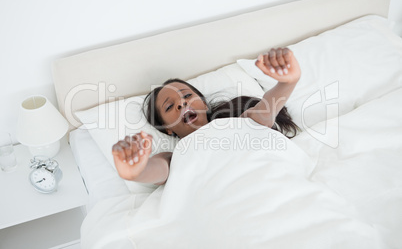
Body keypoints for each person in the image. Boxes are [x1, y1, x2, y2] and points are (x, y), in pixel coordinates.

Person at [112, 47, 301, 185]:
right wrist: (135, 171)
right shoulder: (174, 156)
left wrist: (288, 82)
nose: (182, 103)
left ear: (203, 103)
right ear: (167, 128)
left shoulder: (240, 122)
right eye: (170, 106)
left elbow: (266, 109)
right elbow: (156, 171)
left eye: (187, 96)